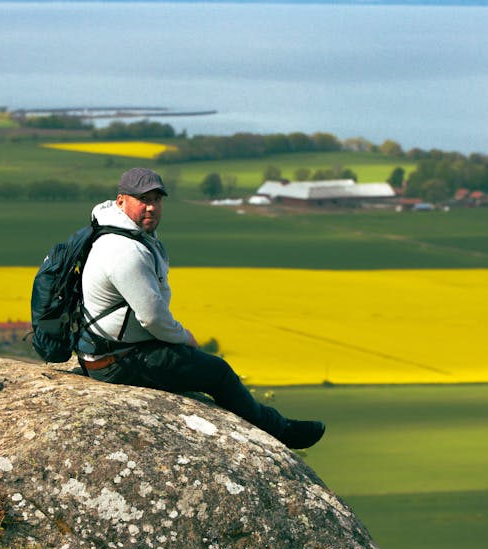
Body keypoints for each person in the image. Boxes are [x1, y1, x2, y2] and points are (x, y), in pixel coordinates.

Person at [76, 167, 325, 449]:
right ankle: (279, 431)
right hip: (116, 362)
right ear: (121, 201)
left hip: (110, 350)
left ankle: (271, 424)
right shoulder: (124, 251)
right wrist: (184, 337)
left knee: (200, 367)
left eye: (156, 199)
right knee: (217, 372)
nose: (151, 207)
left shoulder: (117, 233)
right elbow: (153, 318)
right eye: (143, 199)